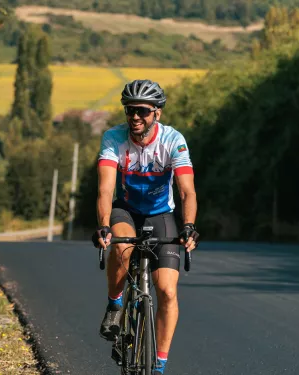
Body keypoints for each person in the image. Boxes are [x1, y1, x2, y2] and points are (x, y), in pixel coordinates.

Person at [92, 79, 200, 375]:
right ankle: (115, 306)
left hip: (161, 214)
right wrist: (104, 226)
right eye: (129, 110)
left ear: (157, 114)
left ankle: (159, 366)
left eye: (142, 110)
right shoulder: (114, 138)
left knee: (166, 290)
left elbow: (187, 191)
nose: (135, 117)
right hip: (126, 210)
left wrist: (188, 226)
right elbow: (105, 190)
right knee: (122, 244)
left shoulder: (172, 140)